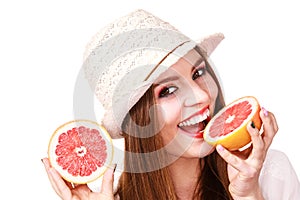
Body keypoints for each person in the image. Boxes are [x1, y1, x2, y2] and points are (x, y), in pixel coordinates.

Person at [42, 9, 300, 199]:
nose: (201, 97)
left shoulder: (269, 174)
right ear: (137, 121)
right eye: (168, 90)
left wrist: (248, 195)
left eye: (198, 73)